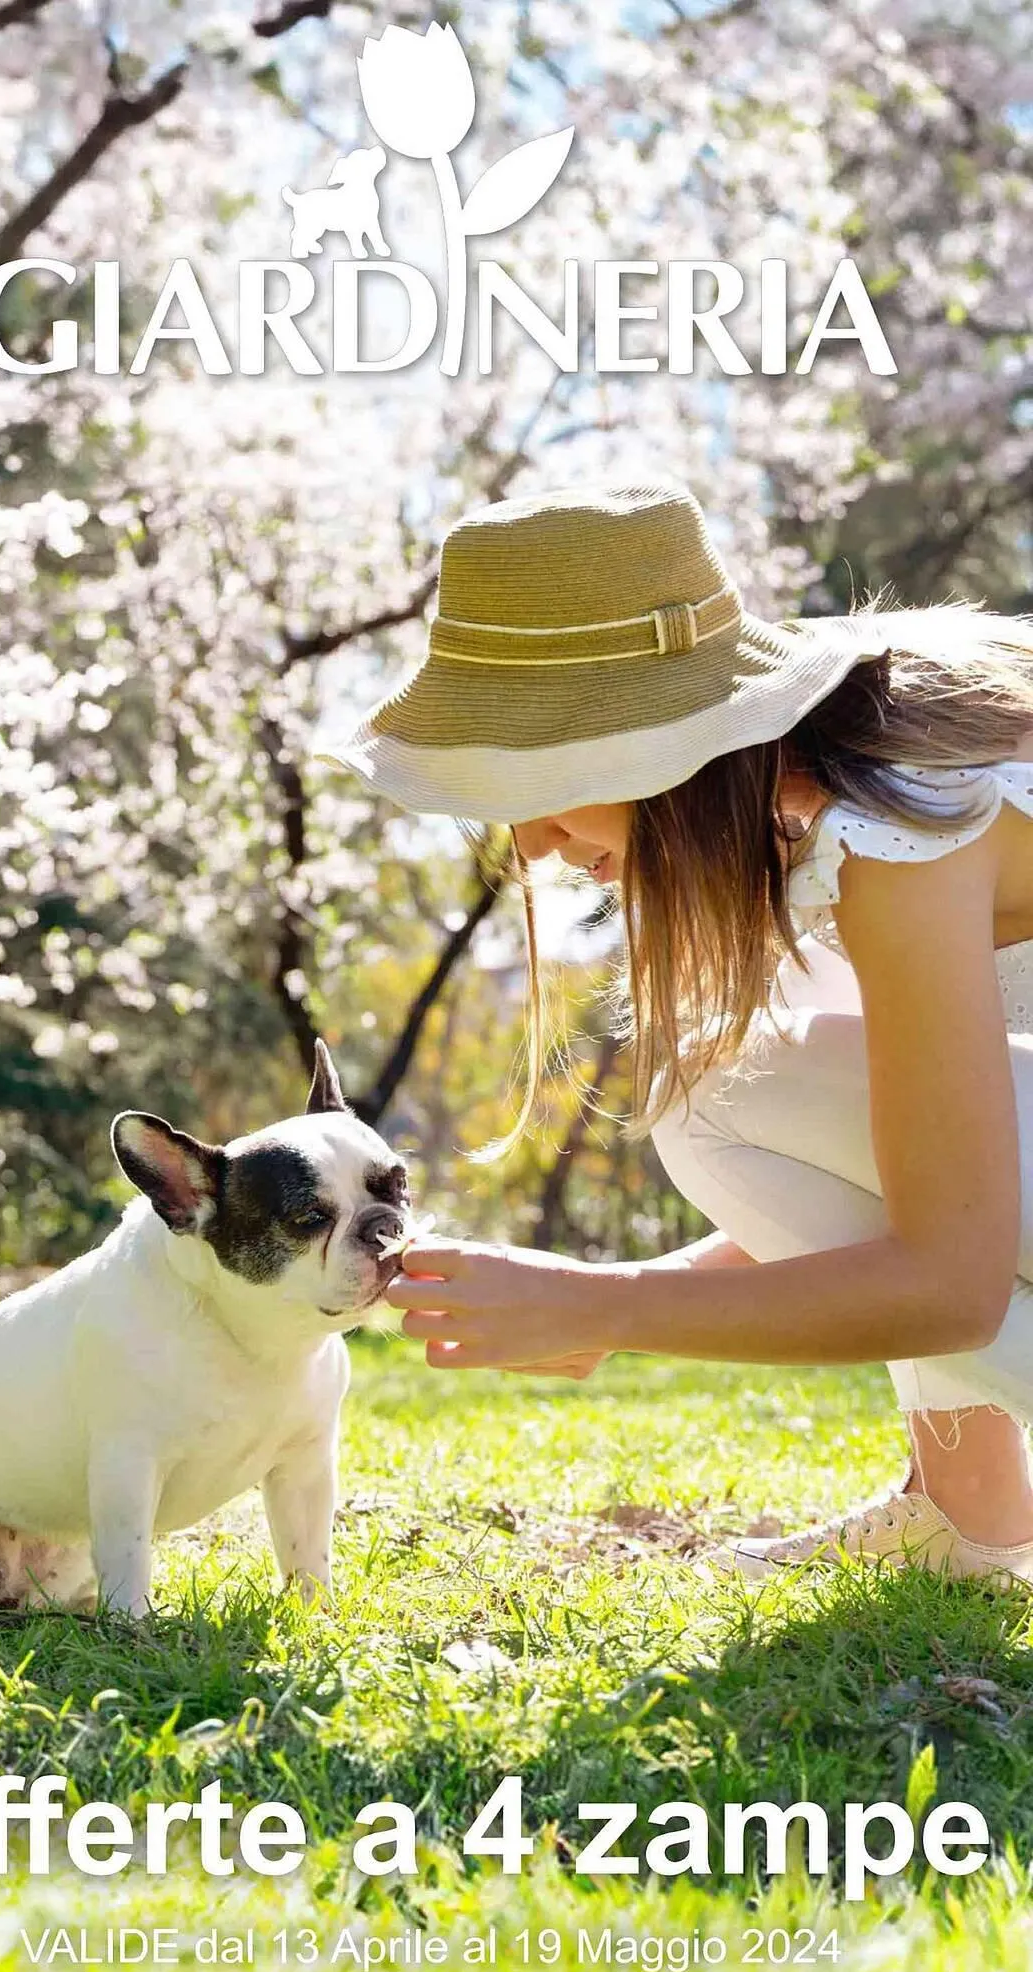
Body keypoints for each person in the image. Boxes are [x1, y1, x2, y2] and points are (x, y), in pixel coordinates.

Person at [319, 479, 1033, 1585]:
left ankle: (967, 1503)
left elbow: (953, 1277)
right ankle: (964, 1504)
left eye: (553, 781)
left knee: (719, 1094)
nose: (536, 841)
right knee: (729, 1089)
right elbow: (934, 1173)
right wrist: (611, 1308)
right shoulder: (854, 752)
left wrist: (608, 1302)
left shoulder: (899, 825)